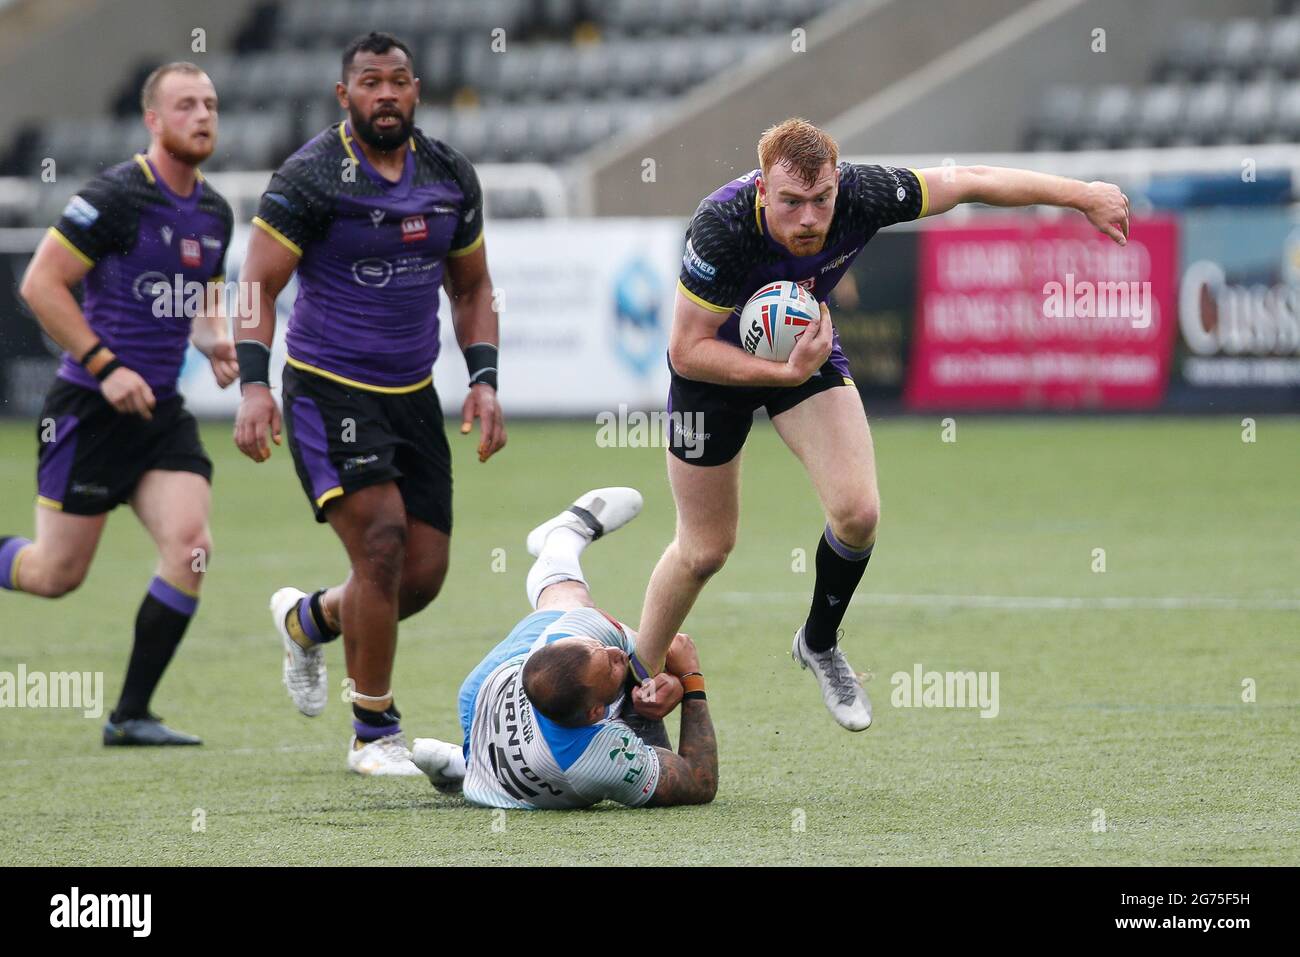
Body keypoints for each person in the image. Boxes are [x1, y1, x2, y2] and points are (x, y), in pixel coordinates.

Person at [632, 117, 1131, 731]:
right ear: (763, 192)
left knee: (858, 514)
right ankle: (632, 688)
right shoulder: (720, 226)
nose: (810, 219)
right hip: (713, 375)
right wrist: (782, 377)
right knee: (705, 549)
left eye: (821, 200)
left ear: (839, 185)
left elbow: (969, 180)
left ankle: (818, 641)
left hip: (804, 351)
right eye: (791, 202)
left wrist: (1081, 194)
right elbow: (686, 349)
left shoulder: (865, 195)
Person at [232, 32, 506, 775]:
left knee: (419, 574)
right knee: (380, 543)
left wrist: (483, 379)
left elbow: (473, 287)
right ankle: (373, 732)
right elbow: (257, 286)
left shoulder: (449, 174)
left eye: (398, 81)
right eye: (369, 82)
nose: (385, 94)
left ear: (417, 89)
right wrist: (255, 386)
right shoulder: (312, 177)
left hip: (413, 393)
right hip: (327, 387)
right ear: (343, 95)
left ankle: (307, 617)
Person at [3, 62, 236, 745]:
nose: (203, 115)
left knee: (191, 546)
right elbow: (40, 285)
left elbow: (198, 301)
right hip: (90, 406)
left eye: (211, 104)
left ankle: (130, 713)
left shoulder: (216, 212)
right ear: (154, 121)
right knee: (54, 575)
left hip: (160, 411)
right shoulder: (115, 196)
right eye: (186, 104)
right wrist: (105, 366)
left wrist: (216, 341)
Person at [410, 488, 718, 809]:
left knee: (567, 598)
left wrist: (657, 675)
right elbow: (698, 783)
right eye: (611, 665)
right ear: (597, 713)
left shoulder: (567, 635)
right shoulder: (594, 759)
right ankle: (462, 764)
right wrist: (691, 682)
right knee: (610, 673)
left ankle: (565, 534)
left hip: (487, 690)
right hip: (506, 732)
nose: (618, 655)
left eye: (603, 650)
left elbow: (648, 651)